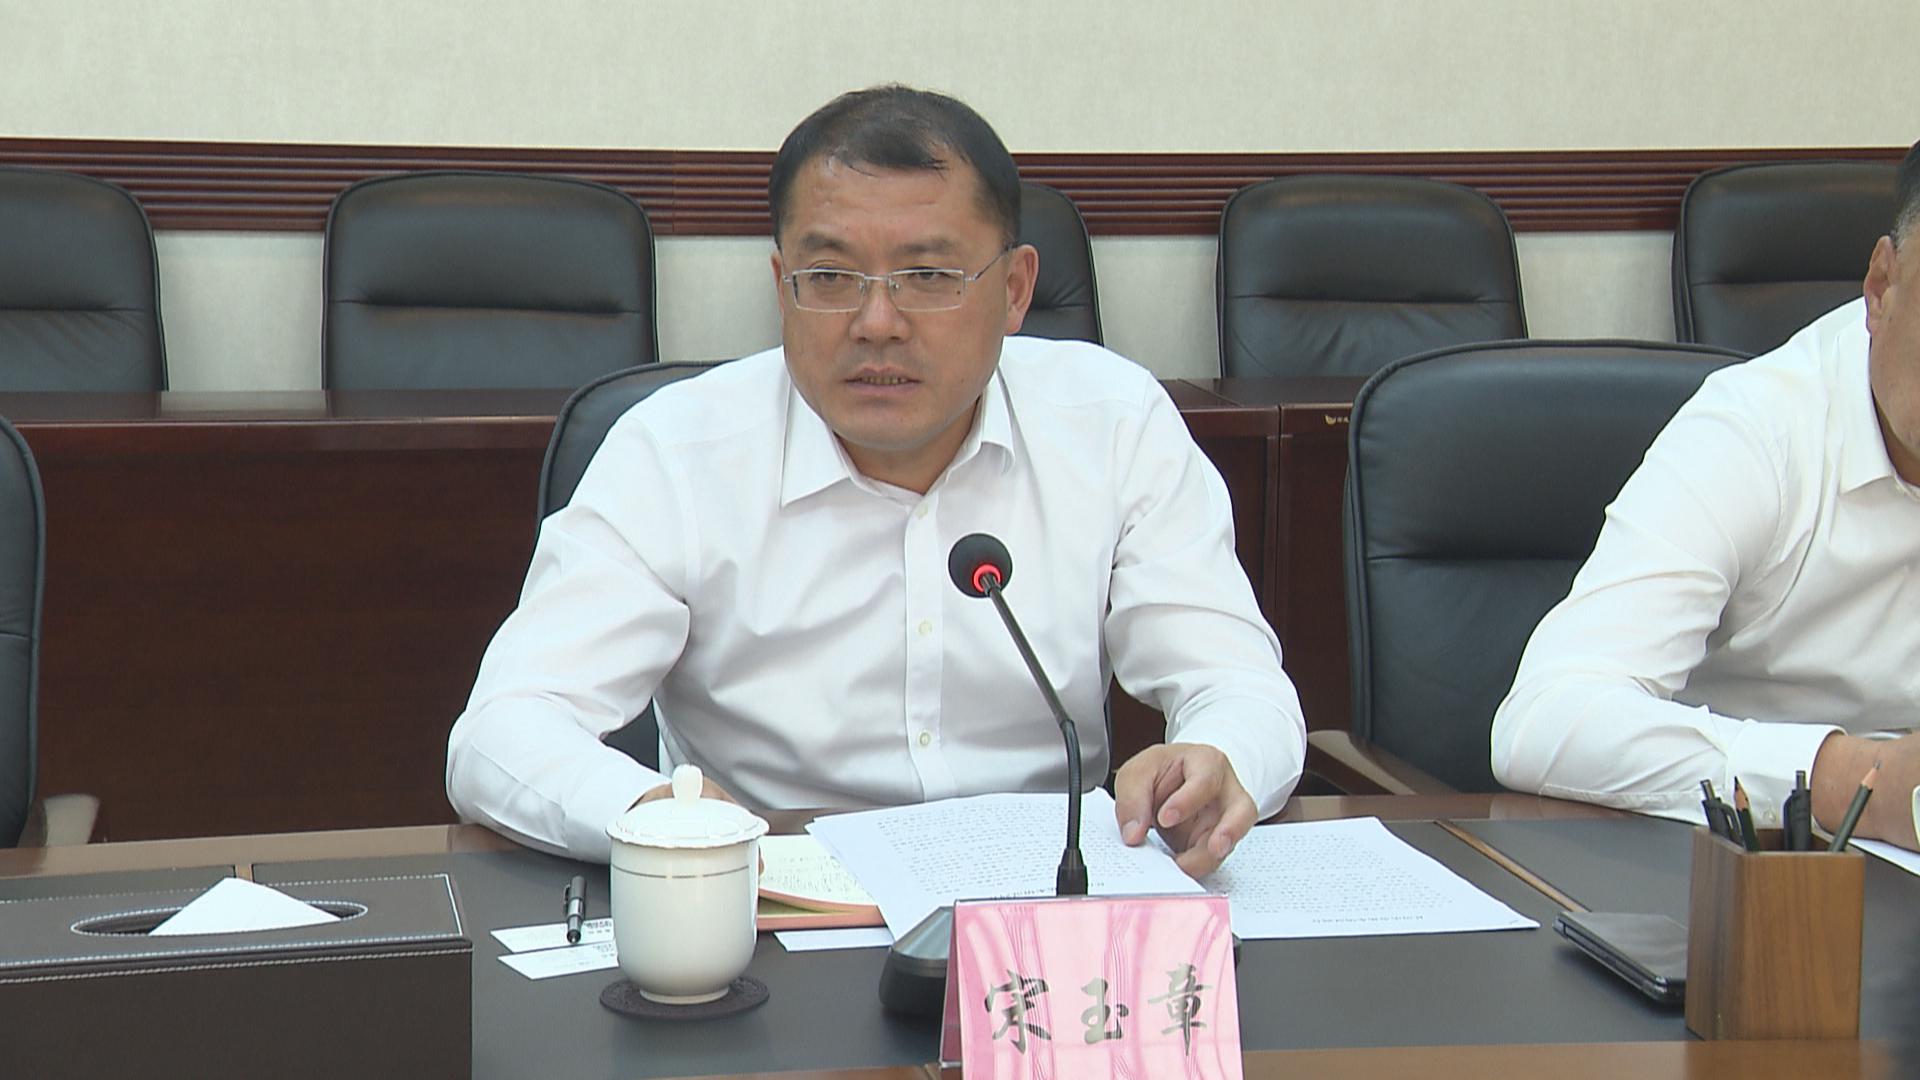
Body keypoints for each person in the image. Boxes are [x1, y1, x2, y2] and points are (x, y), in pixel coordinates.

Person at [446, 85, 1305, 877]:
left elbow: (1237, 683)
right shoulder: (675, 450)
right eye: (830, 277)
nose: (878, 322)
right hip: (768, 897)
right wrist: (657, 816)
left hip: (1045, 902)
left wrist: (1219, 759)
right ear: (782, 288)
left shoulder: (1112, 422)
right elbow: (501, 732)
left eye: (928, 276)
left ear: (1014, 290)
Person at [1492, 141, 1920, 850]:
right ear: (1882, 286)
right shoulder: (1758, 434)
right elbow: (1543, 722)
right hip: (1736, 867)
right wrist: (1849, 779)